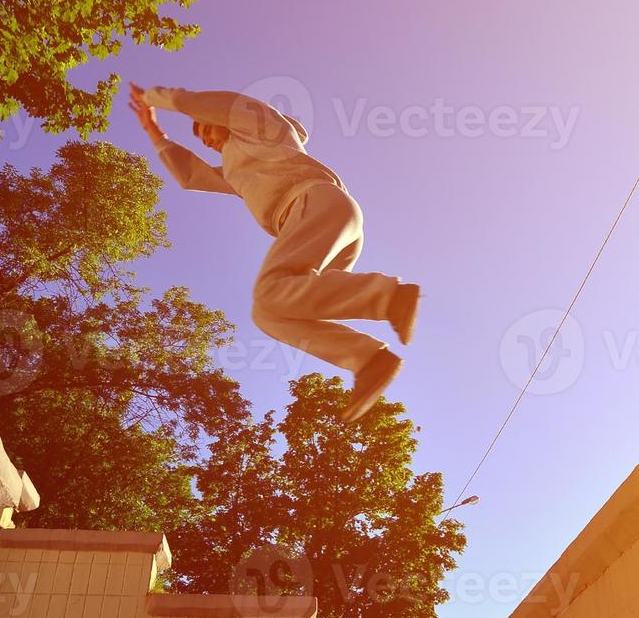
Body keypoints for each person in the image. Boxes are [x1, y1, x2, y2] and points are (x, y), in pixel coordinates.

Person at [128, 83, 420, 423]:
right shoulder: (236, 168)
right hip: (314, 225)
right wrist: (154, 132)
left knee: (269, 290)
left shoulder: (262, 127)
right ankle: (368, 359)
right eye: (201, 138)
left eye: (207, 128)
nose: (205, 139)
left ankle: (390, 297)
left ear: (224, 121)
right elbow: (192, 175)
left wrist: (153, 99)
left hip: (314, 203)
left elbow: (199, 103)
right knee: (269, 313)